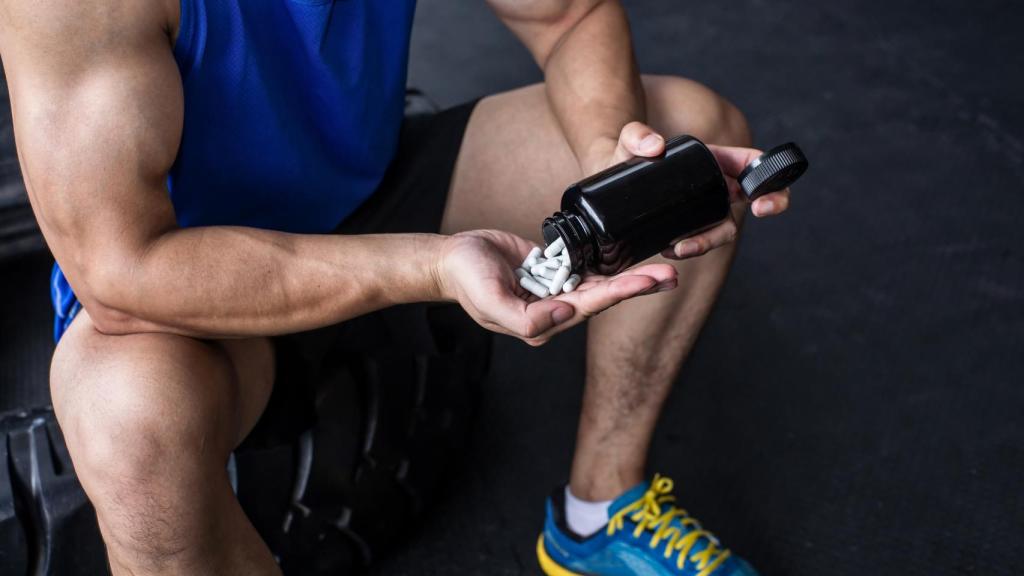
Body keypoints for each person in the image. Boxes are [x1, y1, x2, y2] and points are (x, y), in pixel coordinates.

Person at [0, 1, 793, 575]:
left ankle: (597, 517)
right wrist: (432, 264)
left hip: (371, 192)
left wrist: (612, 174)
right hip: (198, 288)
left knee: (686, 130)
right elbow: (123, 271)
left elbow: (568, 15)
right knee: (125, 420)